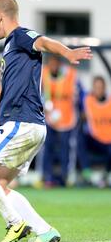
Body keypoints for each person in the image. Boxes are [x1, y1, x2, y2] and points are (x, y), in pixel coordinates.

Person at [0, 0, 92, 242]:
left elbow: (41, 41)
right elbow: (3, 95)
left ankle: (15, 223)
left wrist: (66, 52)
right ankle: (44, 231)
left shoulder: (20, 36)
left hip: (20, 124)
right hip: (30, 127)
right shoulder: (11, 49)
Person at [41, 55, 83, 187]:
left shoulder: (71, 75)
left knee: (66, 148)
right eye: (51, 63)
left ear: (60, 64)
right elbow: (37, 92)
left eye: (56, 63)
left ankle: (65, 177)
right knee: (47, 147)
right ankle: (46, 176)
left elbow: (80, 95)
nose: (53, 66)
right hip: (48, 118)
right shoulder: (43, 74)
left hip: (67, 119)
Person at [78, 75, 111, 187]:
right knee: (80, 139)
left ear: (104, 88)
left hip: (108, 141)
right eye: (96, 87)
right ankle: (87, 174)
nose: (98, 90)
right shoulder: (87, 100)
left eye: (100, 87)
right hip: (94, 138)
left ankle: (106, 176)